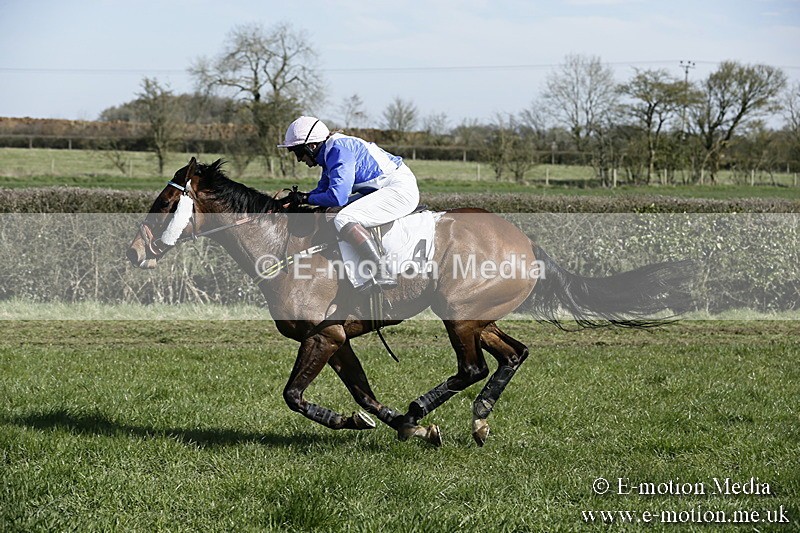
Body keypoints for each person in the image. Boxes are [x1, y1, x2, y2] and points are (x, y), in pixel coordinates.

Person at [278, 116, 420, 290]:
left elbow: (338, 197)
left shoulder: (338, 150)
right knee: (331, 211)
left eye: (298, 152)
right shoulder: (329, 152)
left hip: (399, 189)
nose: (299, 159)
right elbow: (323, 192)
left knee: (343, 218)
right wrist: (298, 198)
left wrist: (305, 198)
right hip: (384, 188)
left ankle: (381, 271)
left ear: (312, 146)